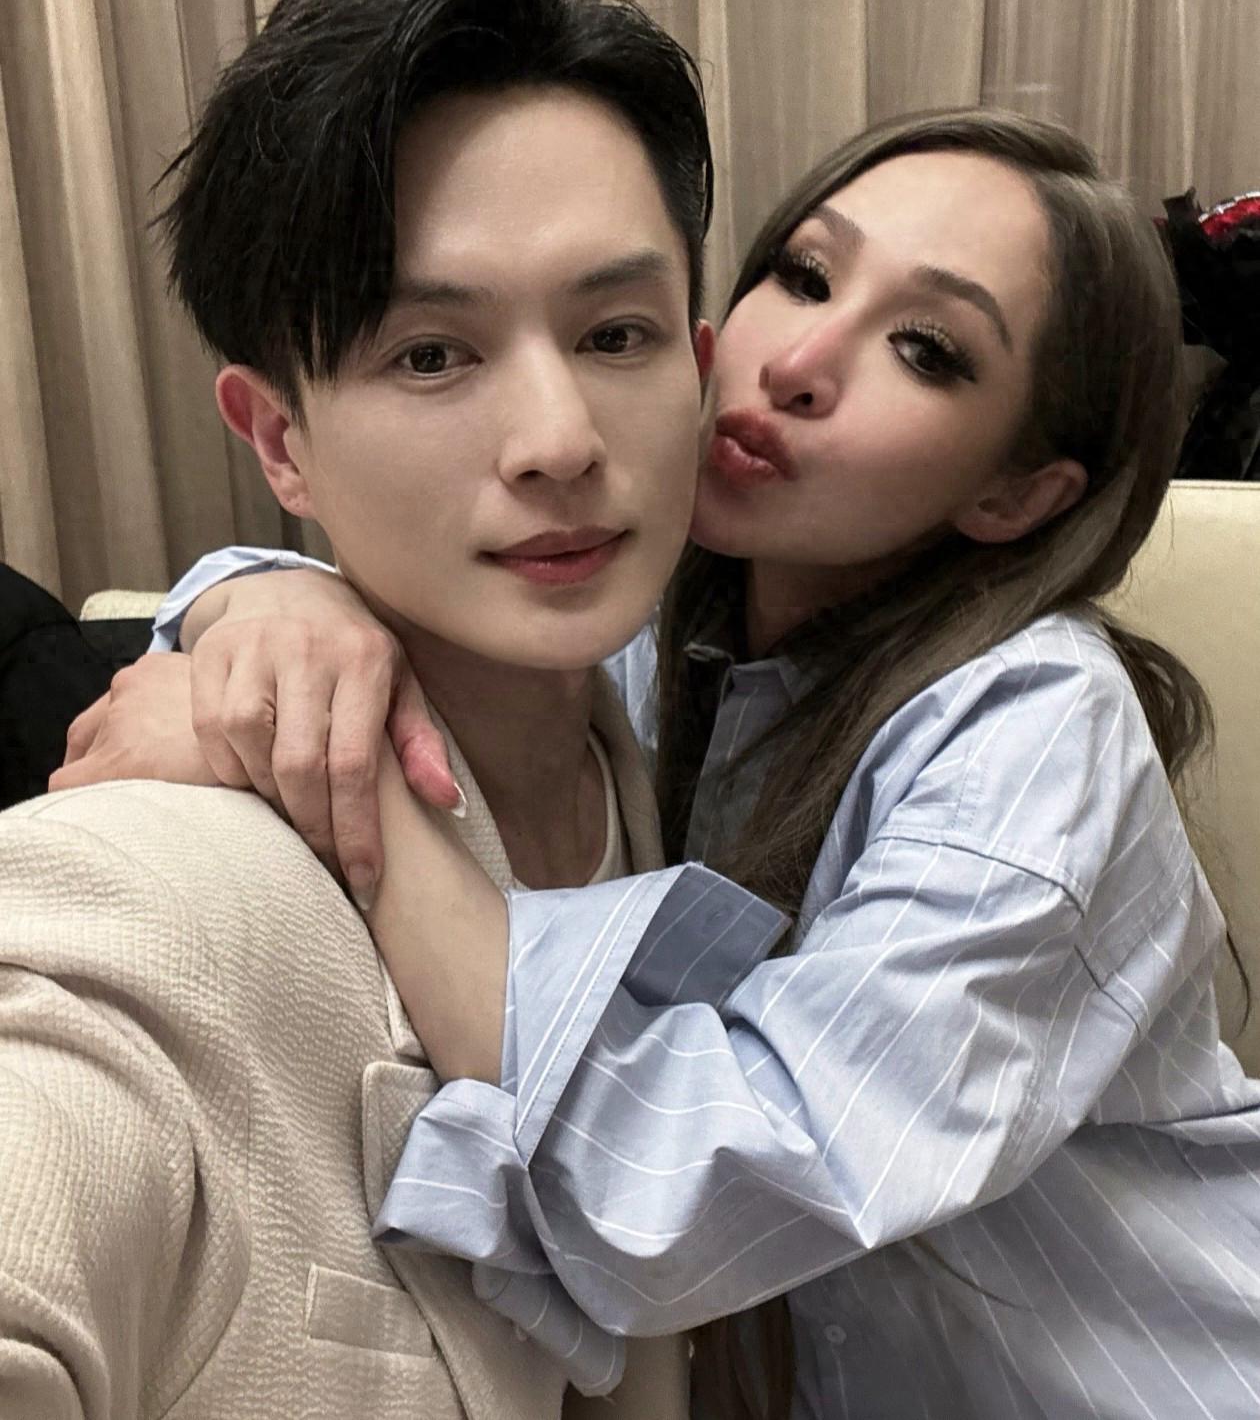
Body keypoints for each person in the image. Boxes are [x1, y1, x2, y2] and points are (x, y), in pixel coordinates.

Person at [79, 106, 1260, 1420]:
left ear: (1015, 495)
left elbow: (684, 1188)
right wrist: (269, 604)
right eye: (805, 274)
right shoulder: (670, 634)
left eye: (925, 349)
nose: (797, 362)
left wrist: (358, 802)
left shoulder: (1037, 728)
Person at [0, 0, 725, 1418]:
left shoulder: (675, 753)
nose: (559, 442)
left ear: (702, 364)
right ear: (279, 440)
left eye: (616, 333)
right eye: (431, 355)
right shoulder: (145, 892)